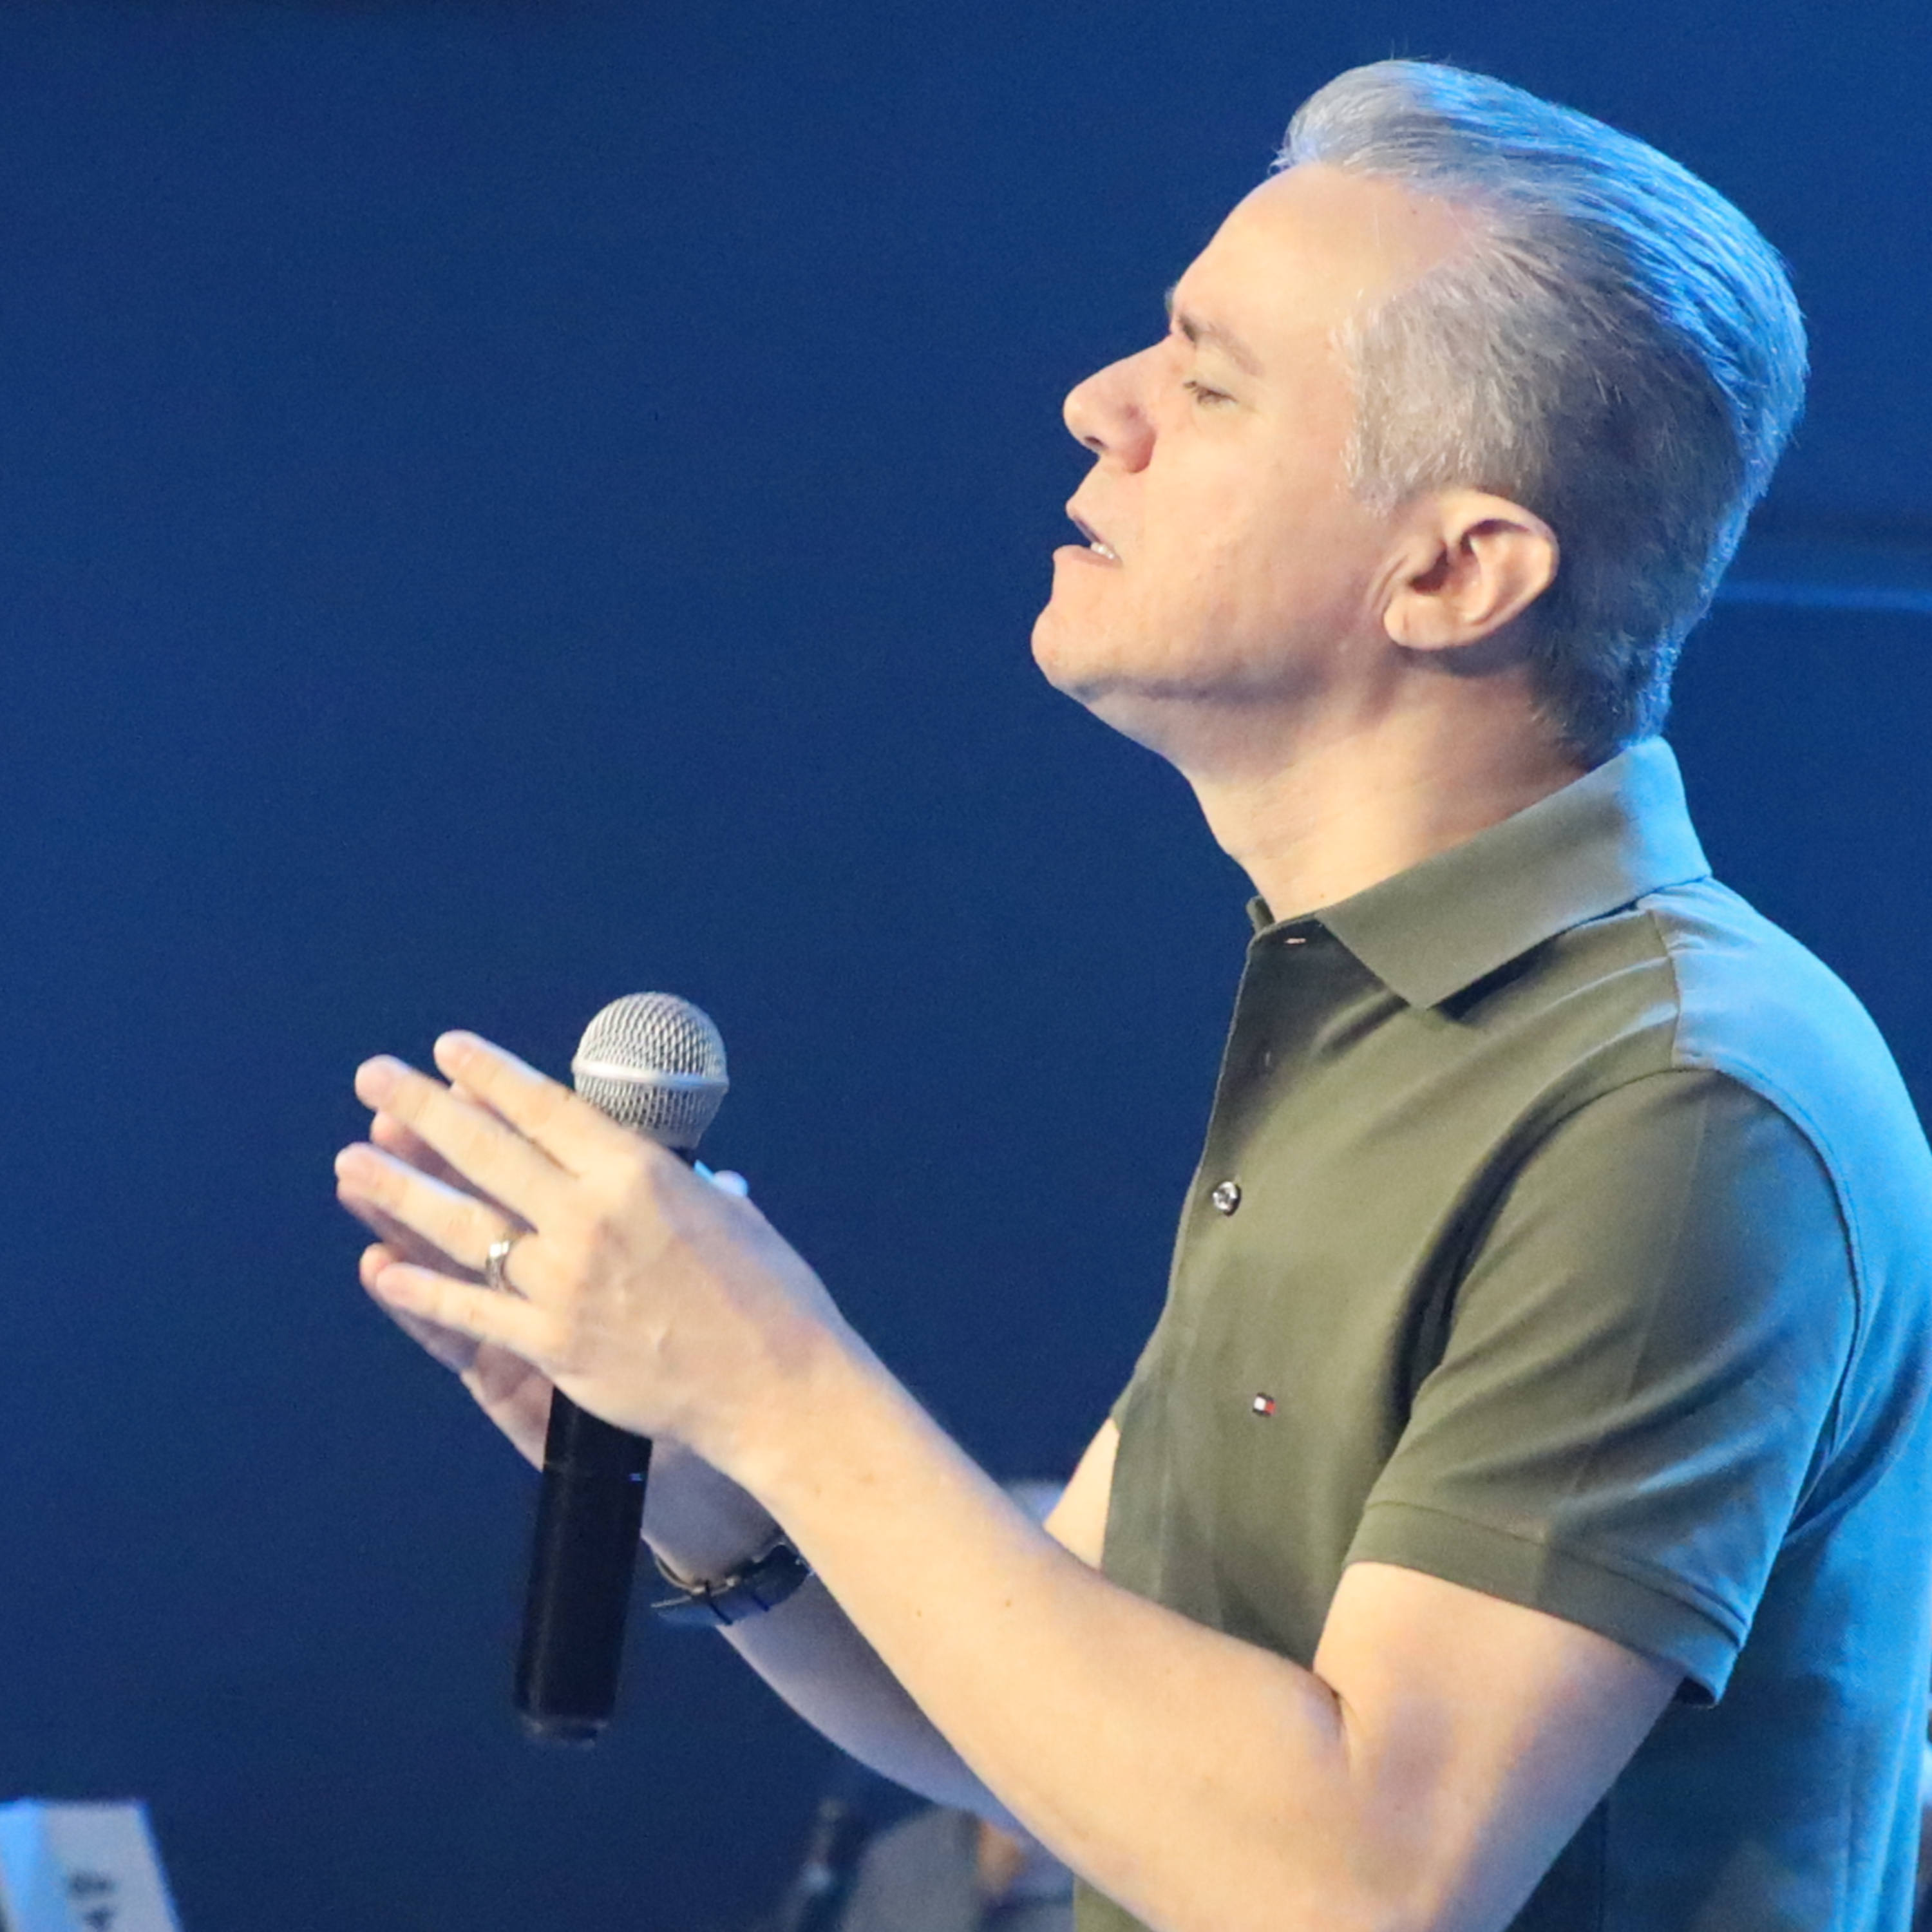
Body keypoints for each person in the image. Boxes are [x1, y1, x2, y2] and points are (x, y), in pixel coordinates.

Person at [334, 60, 1932, 1932]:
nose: (1099, 404)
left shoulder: (1677, 1104)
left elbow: (1355, 1887)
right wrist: (715, 1481)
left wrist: (778, 1377)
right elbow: (1095, 1735)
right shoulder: (1371, 1011)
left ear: (1454, 569)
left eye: (1209, 379)